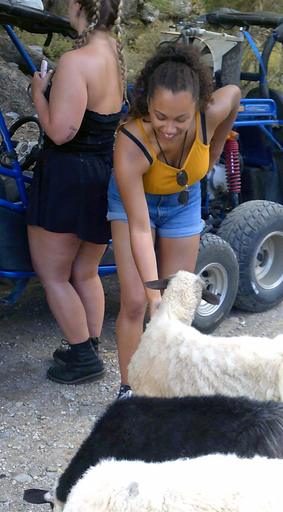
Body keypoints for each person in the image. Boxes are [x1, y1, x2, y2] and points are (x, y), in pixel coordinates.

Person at [109, 42, 241, 399]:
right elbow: (138, 228)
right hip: (136, 204)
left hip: (182, 201)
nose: (169, 127)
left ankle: (168, 391)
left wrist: (211, 154)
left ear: (198, 108)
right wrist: (154, 294)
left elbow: (234, 94)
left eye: (181, 119)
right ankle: (130, 391)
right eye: (159, 115)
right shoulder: (131, 142)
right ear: (146, 104)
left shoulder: (210, 114)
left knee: (178, 302)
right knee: (138, 300)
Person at [26, 0, 125, 385]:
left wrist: (39, 93)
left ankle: (83, 357)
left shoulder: (76, 60)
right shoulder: (114, 55)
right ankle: (88, 343)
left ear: (78, 6)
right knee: (85, 271)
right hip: (102, 172)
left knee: (53, 275)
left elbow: (60, 132)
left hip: (67, 176)